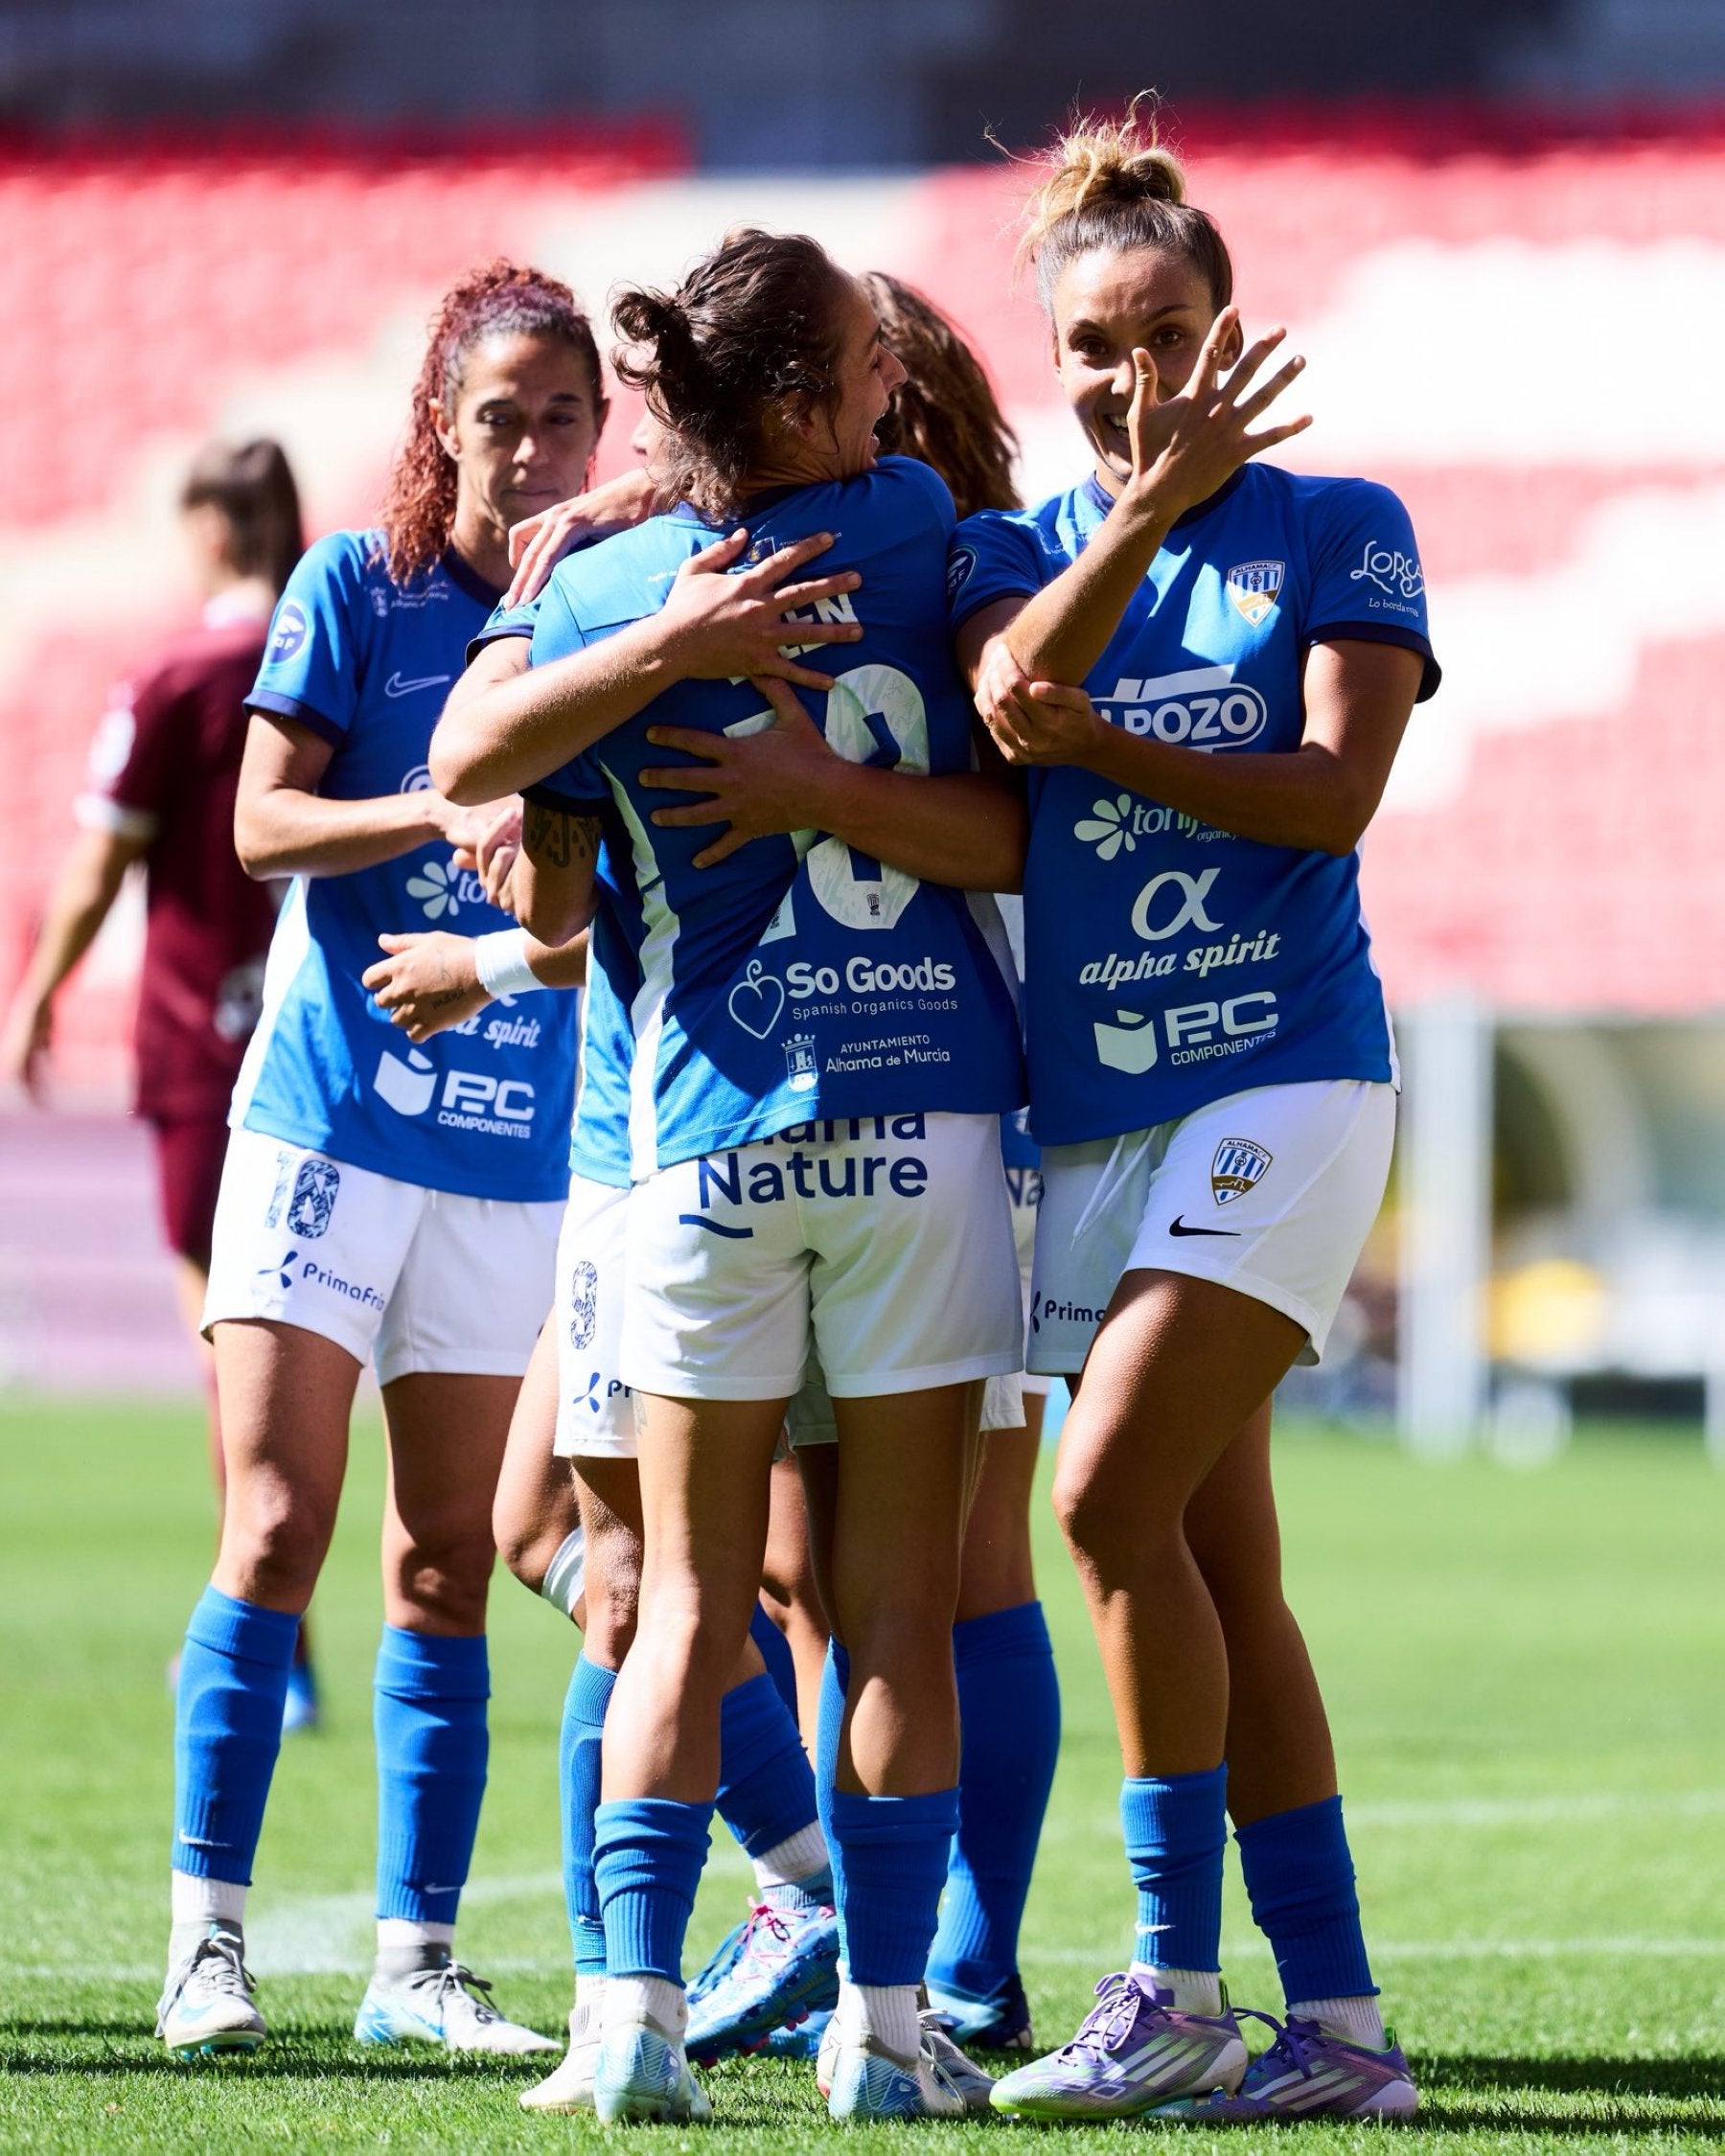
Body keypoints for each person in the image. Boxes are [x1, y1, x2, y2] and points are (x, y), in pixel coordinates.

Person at [430, 227, 1030, 2123]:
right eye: (863, 354)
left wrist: (656, 636)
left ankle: (629, 2014)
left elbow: (469, 764)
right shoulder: (926, 524)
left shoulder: (604, 575)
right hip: (921, 1123)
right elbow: (1013, 828)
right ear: (792, 398)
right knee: (896, 1615)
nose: (892, 380)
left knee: (679, 1602)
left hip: (701, 1141)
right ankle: (885, 2023)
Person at [947, 107, 1438, 2122]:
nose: (1130, 378)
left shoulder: (1341, 524)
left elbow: (1334, 796)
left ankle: (1171, 1987)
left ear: (1231, 328)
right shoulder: (1016, 549)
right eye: (1092, 346)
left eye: (1165, 335)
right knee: (1225, 1573)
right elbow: (1000, 711)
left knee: (1098, 1503)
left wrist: (1112, 743)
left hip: (1291, 1071)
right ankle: (1341, 2029)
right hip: (1103, 1118)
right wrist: (1144, 522)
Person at [154, 261, 603, 2064]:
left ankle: (416, 1962)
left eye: (561, 414)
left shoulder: (616, 612)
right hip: (328, 1123)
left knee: (440, 1562)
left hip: (513, 1150)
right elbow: (262, 825)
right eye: (496, 414)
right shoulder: (361, 584)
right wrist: (444, 799)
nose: (527, 446)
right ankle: (207, 1942)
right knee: (275, 1526)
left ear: (601, 430)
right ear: (444, 423)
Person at [1, 441, 325, 1723]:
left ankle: (270, 1642)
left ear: (208, 527)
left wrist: (33, 999)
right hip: (350, 1041)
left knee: (229, 1343)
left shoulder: (182, 675)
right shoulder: (348, 653)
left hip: (208, 1048)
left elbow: (97, 867)